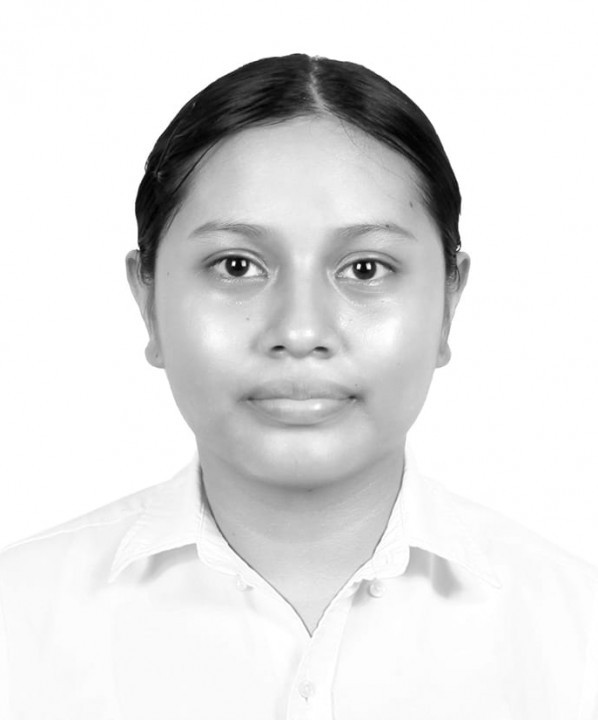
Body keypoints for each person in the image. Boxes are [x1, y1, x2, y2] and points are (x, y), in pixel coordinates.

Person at [0, 53, 597, 720]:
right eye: (236, 265)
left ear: (448, 303)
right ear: (149, 302)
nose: (301, 330)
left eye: (366, 269)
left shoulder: (579, 641)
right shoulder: (16, 625)